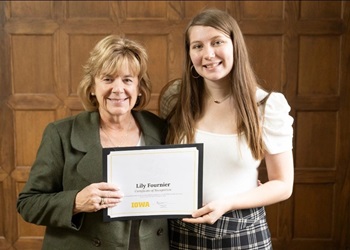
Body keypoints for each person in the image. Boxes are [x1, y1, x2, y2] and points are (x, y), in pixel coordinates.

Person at [17, 35, 169, 250]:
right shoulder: (60, 133)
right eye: (107, 79)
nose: (118, 89)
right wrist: (76, 202)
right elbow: (28, 204)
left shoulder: (160, 129)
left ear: (139, 88)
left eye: (127, 80)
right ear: (91, 87)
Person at [159, 9, 294, 249]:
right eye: (197, 46)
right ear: (189, 54)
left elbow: (283, 184)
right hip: (180, 230)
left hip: (242, 231)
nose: (208, 54)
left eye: (217, 42)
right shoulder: (176, 99)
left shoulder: (266, 106)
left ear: (235, 46)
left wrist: (228, 203)